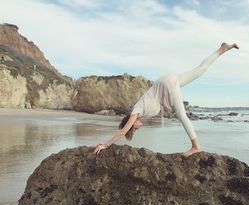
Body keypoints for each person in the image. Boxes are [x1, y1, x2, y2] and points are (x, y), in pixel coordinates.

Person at [94, 42, 239, 157]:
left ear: (131, 124)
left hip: (167, 83)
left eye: (134, 129)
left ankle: (196, 146)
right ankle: (222, 49)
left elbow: (122, 132)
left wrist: (105, 145)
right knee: (200, 70)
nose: (138, 129)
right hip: (167, 80)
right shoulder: (141, 111)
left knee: (182, 115)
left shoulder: (136, 111)